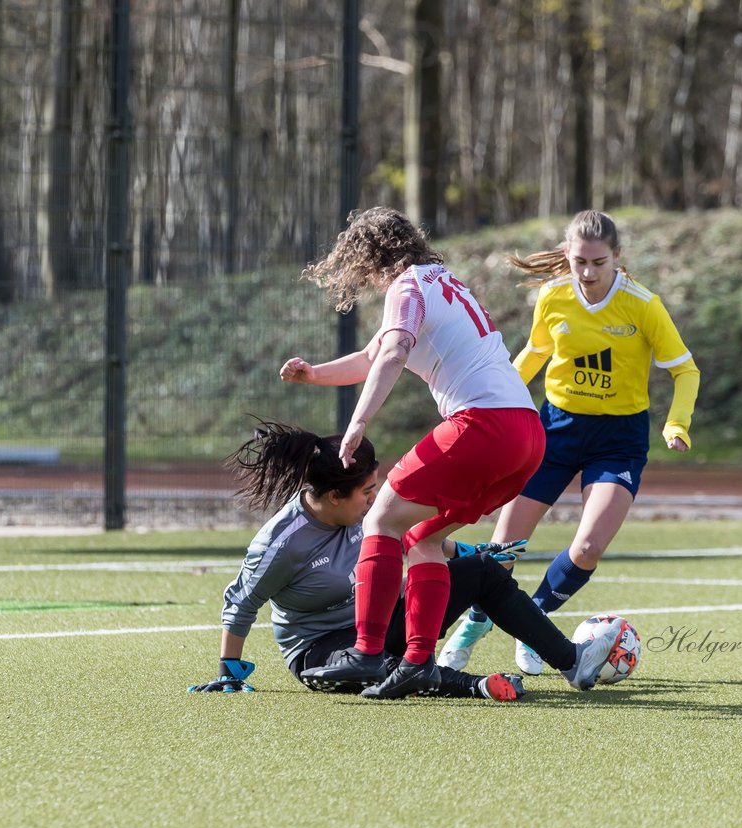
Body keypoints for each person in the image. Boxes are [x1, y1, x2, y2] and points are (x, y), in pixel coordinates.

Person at [278, 207, 552, 699]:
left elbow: (394, 352)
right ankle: (418, 662)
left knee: (380, 519)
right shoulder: (442, 281)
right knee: (421, 538)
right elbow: (371, 357)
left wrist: (359, 421)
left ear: (367, 258)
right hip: (526, 434)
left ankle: (364, 652)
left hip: (483, 424)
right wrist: (314, 374)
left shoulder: (406, 287)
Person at [439, 210, 700, 676]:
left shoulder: (643, 304)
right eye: (579, 261)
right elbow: (536, 353)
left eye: (599, 262)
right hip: (555, 430)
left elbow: (685, 369)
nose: (588, 272)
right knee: (505, 549)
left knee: (587, 548)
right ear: (567, 254)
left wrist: (675, 424)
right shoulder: (553, 295)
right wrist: (494, 401)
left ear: (617, 257)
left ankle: (532, 621)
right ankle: (473, 628)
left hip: (618, 440)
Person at [187, 421, 618, 699]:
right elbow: (241, 602)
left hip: (379, 625)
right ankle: (474, 686)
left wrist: (470, 553)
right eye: (367, 492)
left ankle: (571, 661)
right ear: (335, 496)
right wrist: (230, 671)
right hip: (325, 650)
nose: (377, 499)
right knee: (387, 667)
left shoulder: (369, 516)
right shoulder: (282, 542)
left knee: (483, 573)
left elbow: (414, 540)